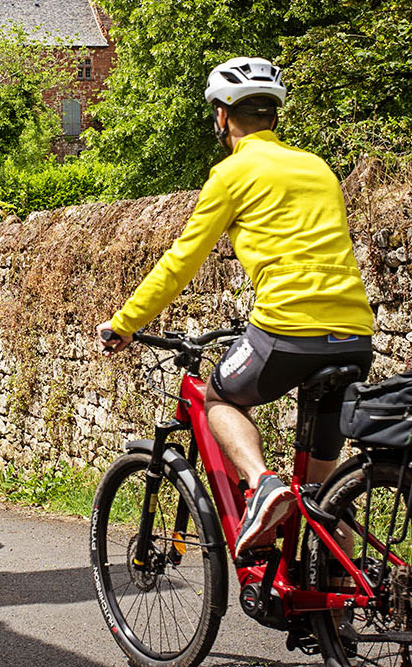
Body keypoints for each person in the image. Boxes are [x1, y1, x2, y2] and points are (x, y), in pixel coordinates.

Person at [97, 56, 374, 557]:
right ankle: (338, 598)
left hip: (287, 329)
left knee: (218, 398)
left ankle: (261, 483)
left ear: (222, 115)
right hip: (354, 336)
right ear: (274, 114)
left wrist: (125, 324)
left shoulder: (232, 173)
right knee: (323, 495)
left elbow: (180, 262)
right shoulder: (318, 167)